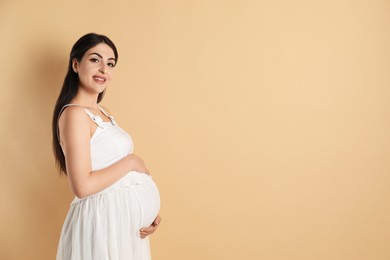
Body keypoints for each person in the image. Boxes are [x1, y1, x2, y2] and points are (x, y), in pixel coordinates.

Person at [52, 33, 161, 260]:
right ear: (75, 64)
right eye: (95, 60)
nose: (104, 69)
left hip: (123, 227)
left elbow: (115, 178)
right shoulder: (74, 114)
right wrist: (131, 162)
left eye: (110, 63)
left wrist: (147, 212)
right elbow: (82, 186)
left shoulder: (103, 113)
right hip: (102, 225)